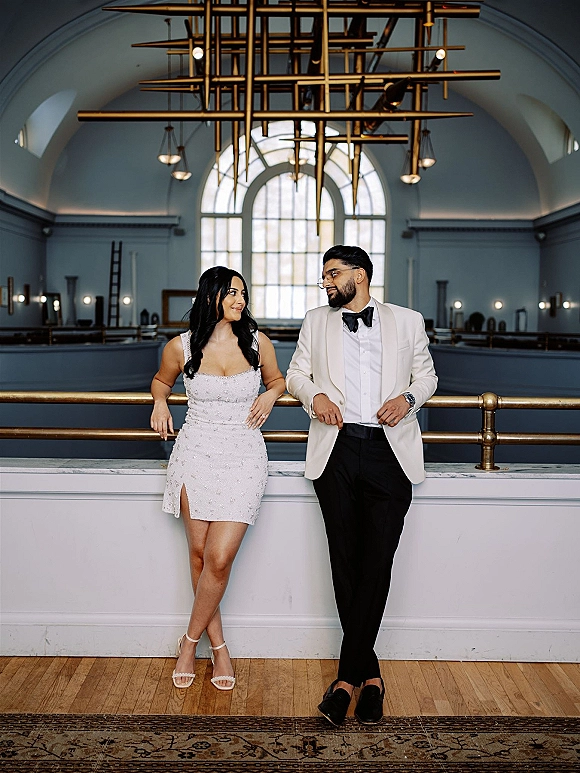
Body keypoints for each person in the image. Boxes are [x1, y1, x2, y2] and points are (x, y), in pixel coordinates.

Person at [286, 245, 437, 725]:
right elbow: (294, 375)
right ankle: (369, 680)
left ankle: (345, 681)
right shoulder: (316, 320)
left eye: (333, 274)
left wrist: (408, 398)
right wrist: (316, 395)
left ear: (361, 274)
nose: (326, 282)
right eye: (324, 276)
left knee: (377, 561)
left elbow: (428, 377)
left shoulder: (408, 320)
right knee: (344, 560)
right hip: (336, 451)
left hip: (389, 453)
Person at [151, 266, 285, 691]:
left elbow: (279, 380)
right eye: (231, 292)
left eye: (243, 293)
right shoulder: (181, 346)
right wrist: (159, 404)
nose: (239, 300)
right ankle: (219, 646)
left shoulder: (257, 342)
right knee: (198, 555)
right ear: (210, 296)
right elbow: (161, 381)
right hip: (195, 454)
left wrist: (270, 392)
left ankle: (189, 643)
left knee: (220, 558)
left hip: (244, 455)